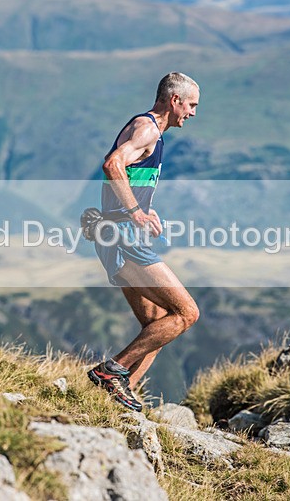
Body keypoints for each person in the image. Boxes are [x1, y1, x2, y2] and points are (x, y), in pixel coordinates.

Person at [87, 72, 201, 411]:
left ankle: (116, 398)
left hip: (116, 234)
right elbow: (112, 165)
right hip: (124, 237)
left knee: (157, 326)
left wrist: (146, 210)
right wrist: (136, 212)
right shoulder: (147, 128)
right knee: (186, 313)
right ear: (175, 100)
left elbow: (127, 177)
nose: (193, 113)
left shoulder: (151, 130)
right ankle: (113, 372)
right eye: (191, 105)